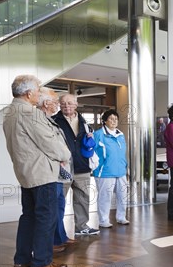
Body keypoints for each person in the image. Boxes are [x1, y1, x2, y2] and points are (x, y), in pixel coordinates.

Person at [2, 75, 70, 267]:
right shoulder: (31, 114)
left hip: (25, 173)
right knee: (46, 218)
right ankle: (42, 261)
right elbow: (49, 143)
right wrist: (64, 155)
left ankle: (21, 259)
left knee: (29, 216)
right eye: (38, 89)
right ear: (29, 93)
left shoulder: (9, 113)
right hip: (42, 174)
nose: (39, 93)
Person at [53, 93, 100, 236]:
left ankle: (81, 226)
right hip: (63, 167)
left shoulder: (85, 122)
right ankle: (57, 230)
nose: (67, 106)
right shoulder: (54, 121)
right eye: (63, 103)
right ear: (59, 105)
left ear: (76, 105)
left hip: (82, 165)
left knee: (83, 197)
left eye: (70, 103)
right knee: (59, 200)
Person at [37, 87, 77, 253]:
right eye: (56, 103)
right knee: (51, 210)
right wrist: (63, 155)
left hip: (58, 171)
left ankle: (60, 237)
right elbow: (51, 146)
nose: (58, 106)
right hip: (49, 171)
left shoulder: (48, 120)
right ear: (47, 103)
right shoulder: (41, 120)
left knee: (59, 206)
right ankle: (52, 244)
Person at [93, 109, 130, 228]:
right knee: (105, 196)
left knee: (122, 195)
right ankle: (103, 220)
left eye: (116, 119)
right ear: (104, 121)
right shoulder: (98, 135)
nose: (114, 121)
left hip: (121, 171)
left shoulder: (120, 134)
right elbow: (91, 152)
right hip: (105, 171)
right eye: (111, 119)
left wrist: (126, 167)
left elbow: (122, 153)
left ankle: (121, 217)